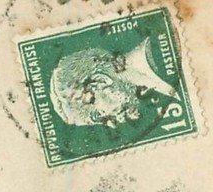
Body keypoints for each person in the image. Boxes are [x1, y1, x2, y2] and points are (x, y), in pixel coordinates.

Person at [50, 39, 178, 129]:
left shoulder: (104, 77)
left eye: (74, 92)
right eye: (72, 97)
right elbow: (70, 117)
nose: (77, 98)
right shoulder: (96, 106)